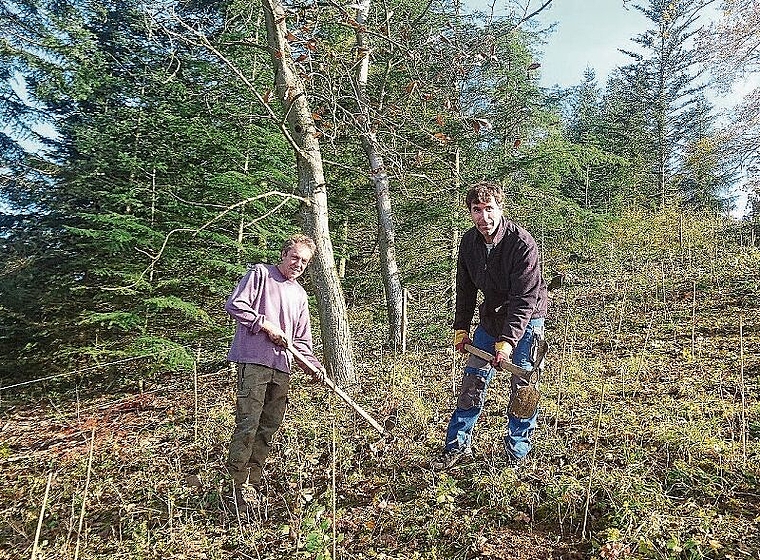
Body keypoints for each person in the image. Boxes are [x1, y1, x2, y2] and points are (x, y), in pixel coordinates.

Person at [432, 181, 548, 470]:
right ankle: (457, 446)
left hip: (527, 318)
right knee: (472, 380)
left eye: (489, 209)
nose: (484, 217)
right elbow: (465, 288)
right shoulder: (469, 243)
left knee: (524, 386)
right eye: (477, 210)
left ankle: (517, 451)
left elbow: (525, 298)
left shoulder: (521, 244)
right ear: (470, 212)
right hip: (490, 318)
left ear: (500, 208)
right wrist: (461, 327)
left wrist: (507, 342)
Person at [224, 234, 325, 510]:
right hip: (254, 362)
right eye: (295, 257)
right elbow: (235, 305)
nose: (298, 264)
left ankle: (252, 485)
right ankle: (235, 487)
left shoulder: (300, 295)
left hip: (283, 369)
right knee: (248, 424)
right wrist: (267, 326)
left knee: (268, 427)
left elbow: (302, 343)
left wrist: (314, 368)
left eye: (304, 261)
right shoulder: (260, 274)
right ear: (283, 254)